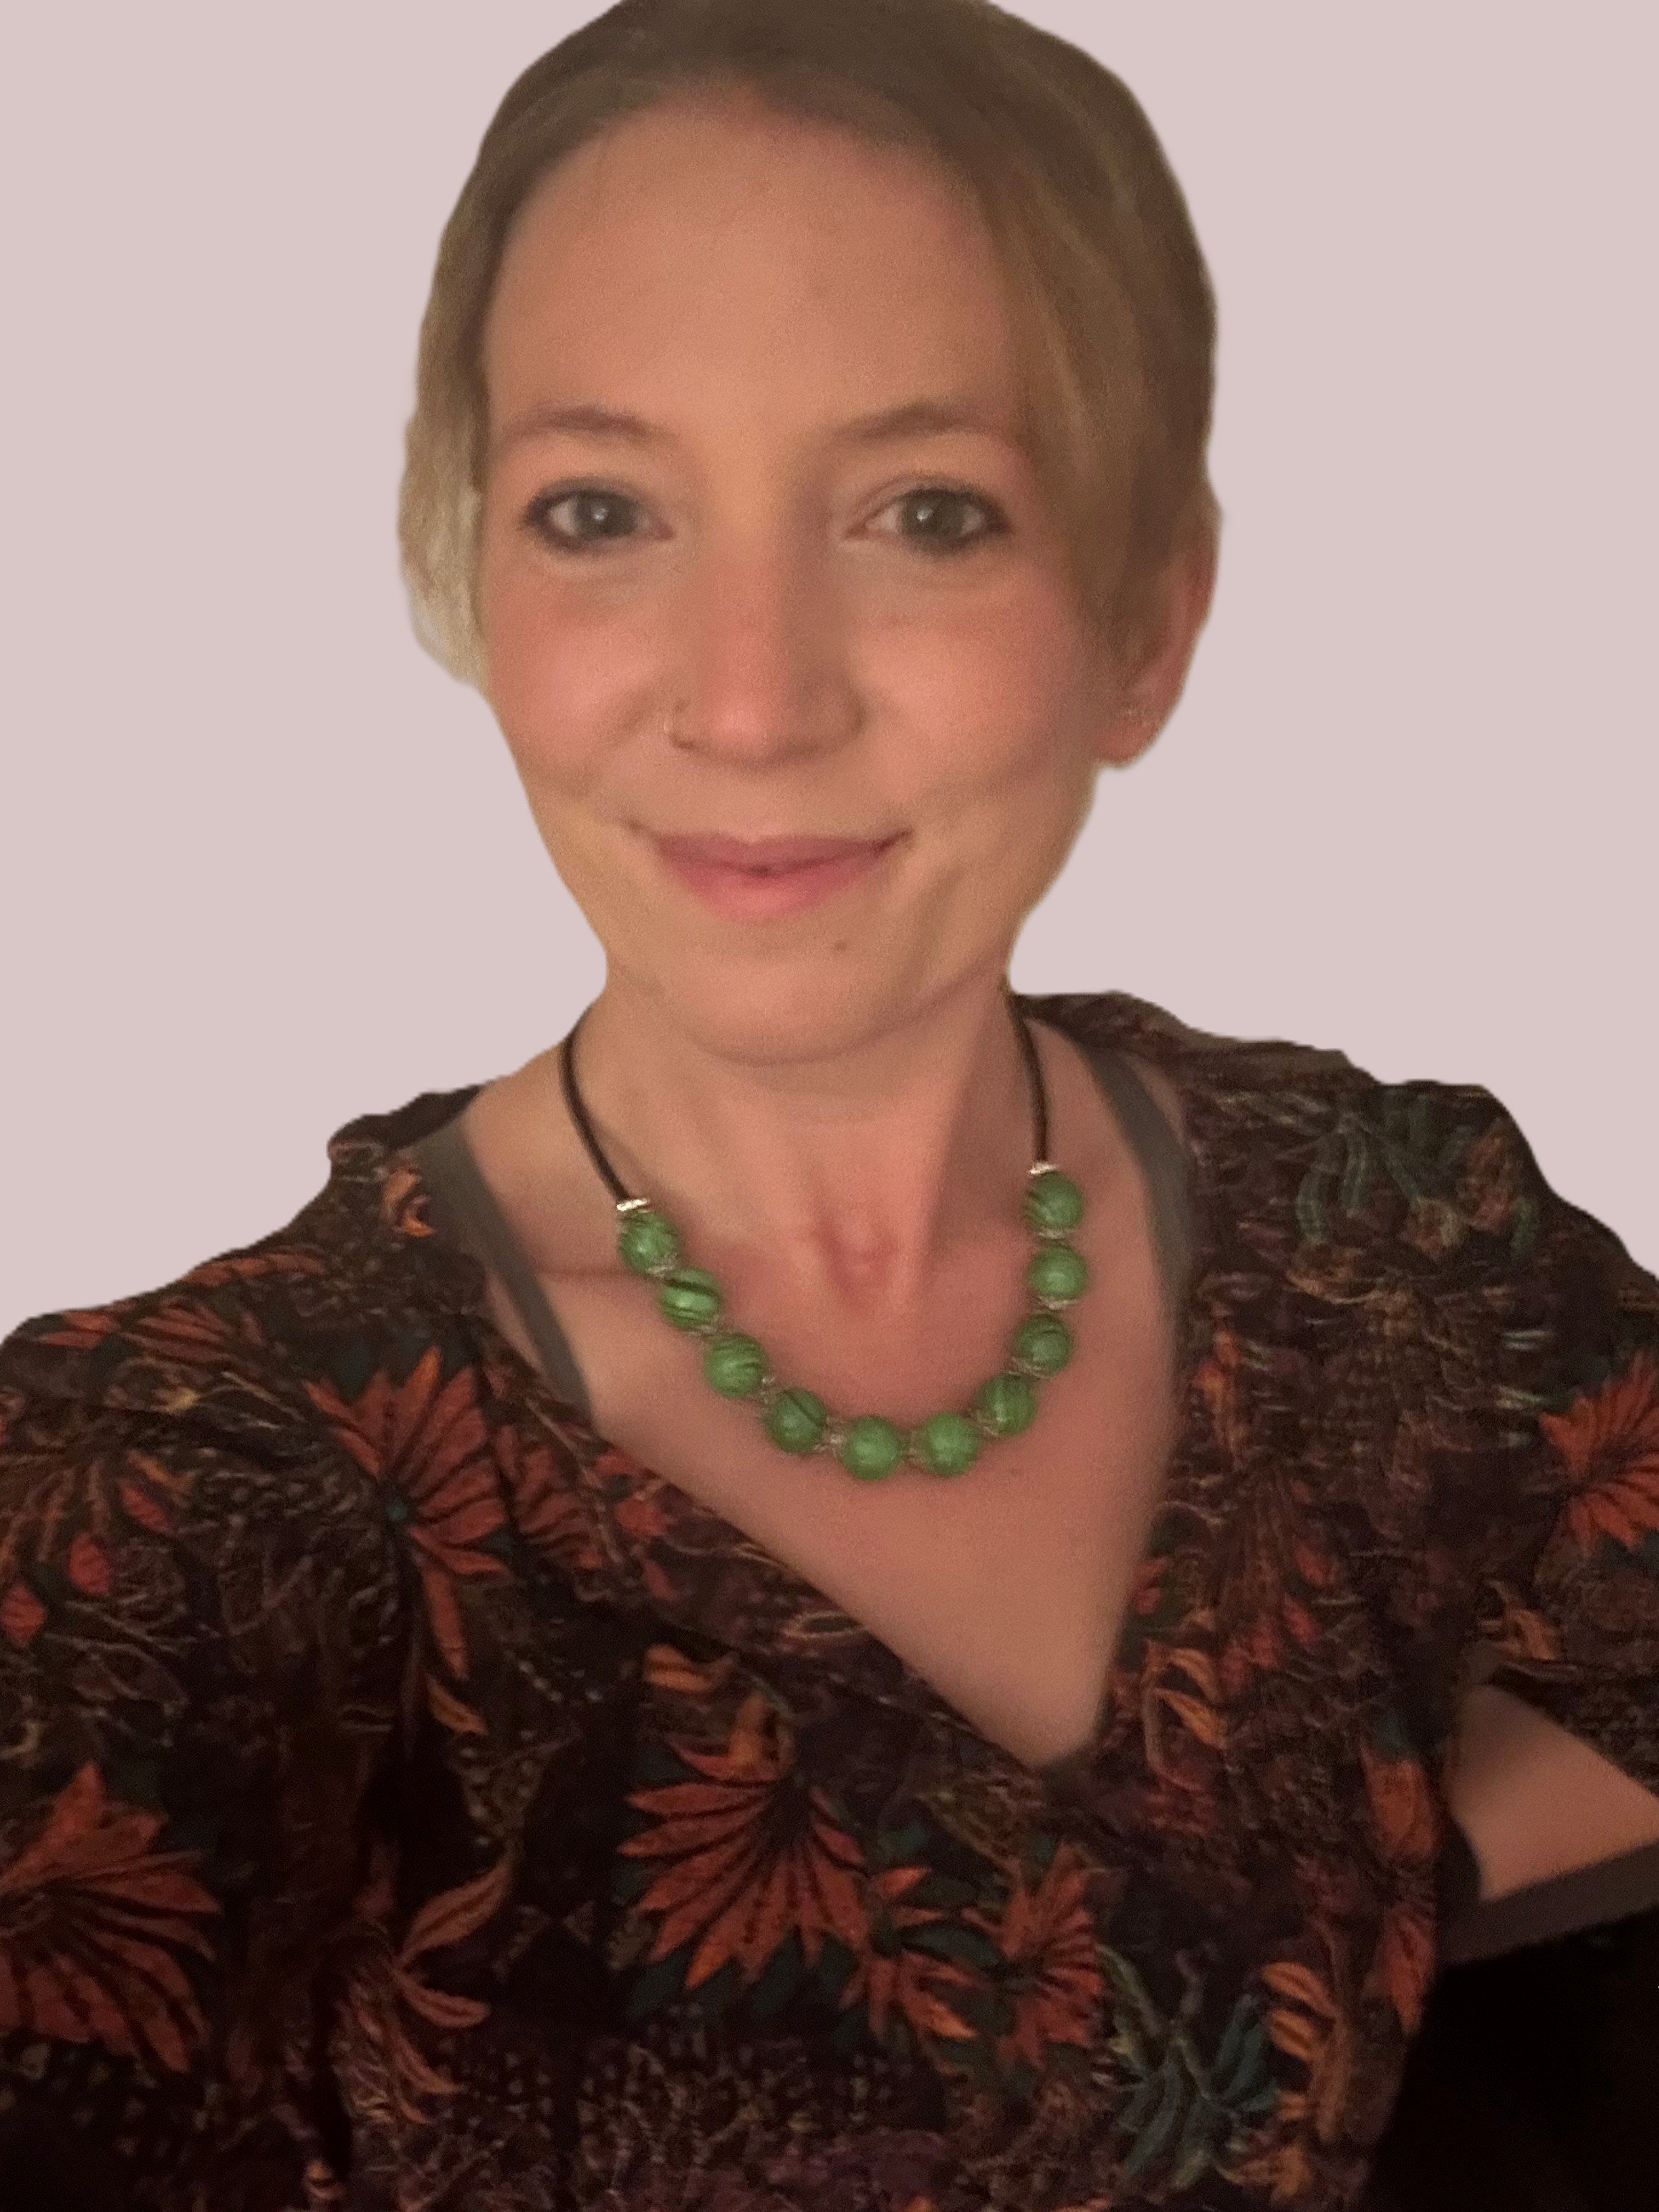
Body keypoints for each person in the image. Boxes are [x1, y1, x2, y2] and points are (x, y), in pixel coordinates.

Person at [1, 1, 1655, 2206]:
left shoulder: (1400, 1234)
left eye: (925, 510)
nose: (754, 697)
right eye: (601, 510)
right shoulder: (164, 1503)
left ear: (1148, 618)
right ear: (473, 587)